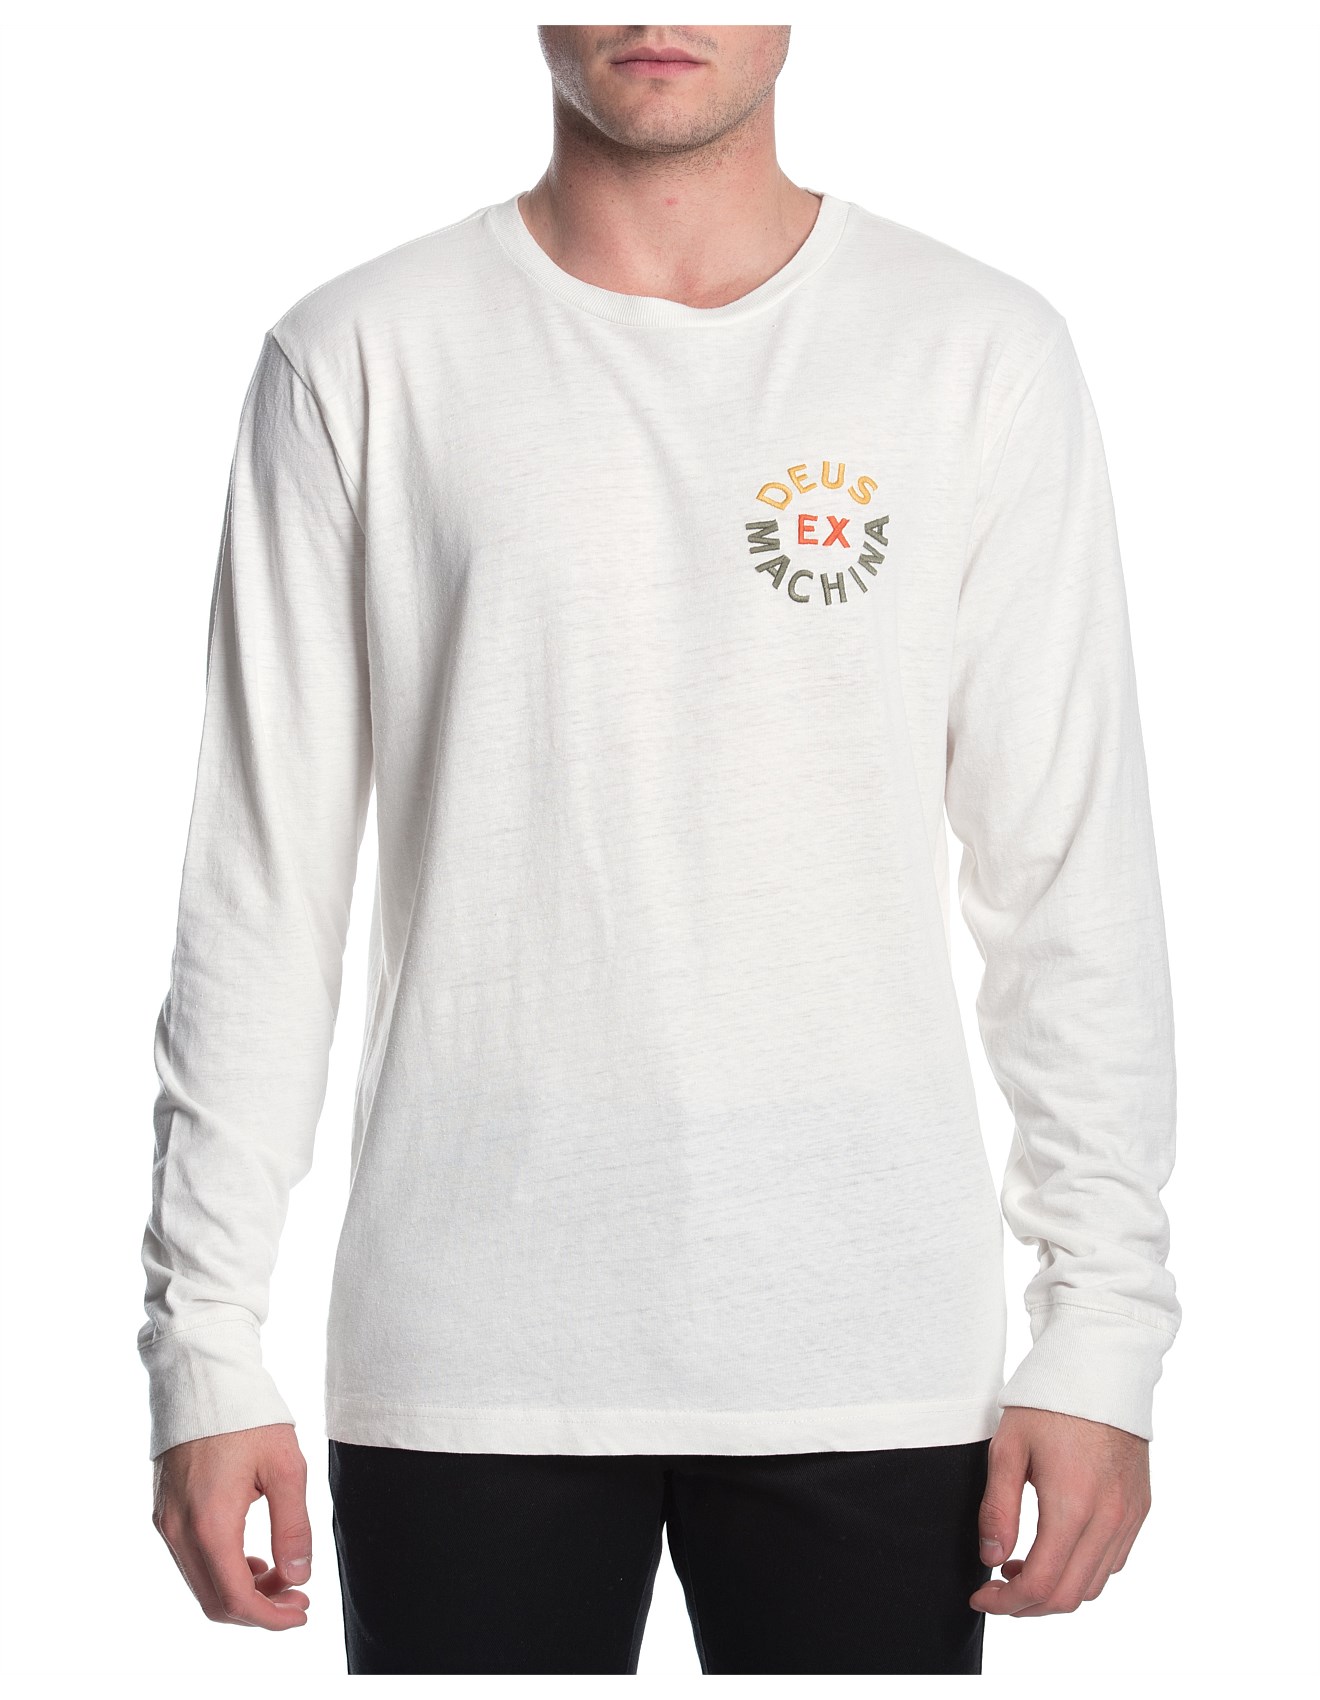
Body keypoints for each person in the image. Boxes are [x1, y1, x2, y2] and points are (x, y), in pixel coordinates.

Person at [139, 24, 1181, 1676]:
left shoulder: (974, 351)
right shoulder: (361, 355)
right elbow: (261, 892)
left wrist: (1104, 1325)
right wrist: (202, 1343)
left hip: (872, 1346)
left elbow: (1065, 876)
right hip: (469, 1358)